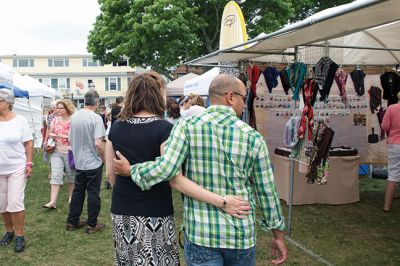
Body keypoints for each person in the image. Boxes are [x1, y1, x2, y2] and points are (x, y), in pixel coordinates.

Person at [114, 74, 288, 265]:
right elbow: (267, 191)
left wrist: (133, 170)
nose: (245, 104)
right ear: (230, 97)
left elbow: (167, 168)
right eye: (244, 98)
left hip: (200, 233)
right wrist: (278, 234)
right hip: (240, 233)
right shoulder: (253, 138)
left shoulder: (186, 127)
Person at [66, 90, 106, 234]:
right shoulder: (96, 118)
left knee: (78, 191)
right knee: (93, 192)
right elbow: (98, 143)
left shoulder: (75, 116)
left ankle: (72, 221)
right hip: (92, 162)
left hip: (79, 161)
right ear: (97, 102)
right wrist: (103, 157)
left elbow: (69, 138)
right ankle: (92, 224)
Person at [0, 89, 33, 252]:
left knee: (14, 202)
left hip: (17, 168)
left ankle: (20, 235)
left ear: (8, 103)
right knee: (2, 204)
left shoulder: (20, 120)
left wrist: (29, 163)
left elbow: (28, 142)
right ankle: (9, 232)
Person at [43, 99, 75, 209]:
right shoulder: (55, 120)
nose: (58, 110)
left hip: (70, 152)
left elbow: (77, 135)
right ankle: (52, 202)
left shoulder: (74, 120)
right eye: (57, 108)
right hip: (56, 151)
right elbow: (50, 132)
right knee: (56, 175)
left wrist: (65, 137)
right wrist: (54, 136)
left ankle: (72, 197)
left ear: (67, 108)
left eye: (61, 108)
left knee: (71, 176)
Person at [381, 91, 400, 212]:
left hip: (395, 144)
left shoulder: (392, 108)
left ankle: (386, 206)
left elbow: (384, 126)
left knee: (393, 173)